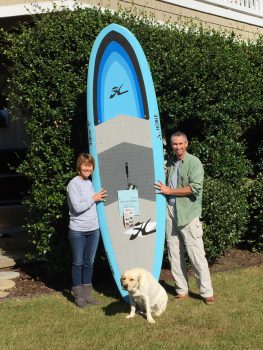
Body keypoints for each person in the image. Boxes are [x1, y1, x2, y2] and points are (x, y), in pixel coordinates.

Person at [153, 131, 214, 304]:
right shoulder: (170, 162)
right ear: (171, 146)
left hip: (188, 214)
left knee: (196, 255)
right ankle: (181, 290)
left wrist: (169, 191)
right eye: (175, 144)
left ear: (186, 144)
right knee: (174, 254)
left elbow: (194, 188)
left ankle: (206, 292)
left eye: (181, 144)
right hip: (170, 212)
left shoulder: (194, 162)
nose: (178, 147)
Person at [67, 153, 107, 307]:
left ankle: (87, 294)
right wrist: (93, 198)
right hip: (77, 230)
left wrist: (98, 198)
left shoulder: (91, 183)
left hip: (93, 229)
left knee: (89, 262)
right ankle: (78, 296)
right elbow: (77, 207)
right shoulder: (73, 184)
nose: (87, 168)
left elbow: (94, 202)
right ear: (79, 166)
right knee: (78, 262)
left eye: (90, 166)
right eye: (85, 165)